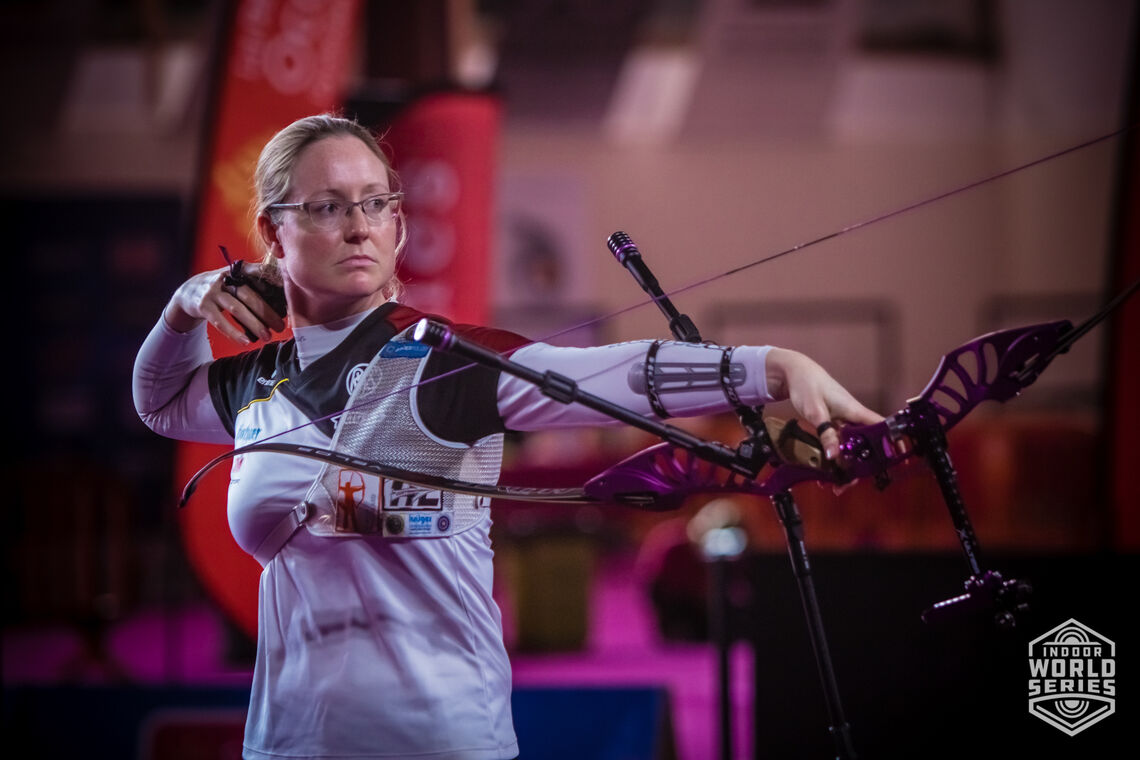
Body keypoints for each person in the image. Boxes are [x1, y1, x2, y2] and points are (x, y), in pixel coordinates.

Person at [133, 113, 881, 760]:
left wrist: (772, 370)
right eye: (328, 206)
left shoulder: (442, 360)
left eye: (376, 204)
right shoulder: (255, 385)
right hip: (289, 738)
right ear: (272, 230)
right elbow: (160, 401)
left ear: (397, 223)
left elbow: (604, 374)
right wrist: (184, 306)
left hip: (437, 739)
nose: (360, 226)